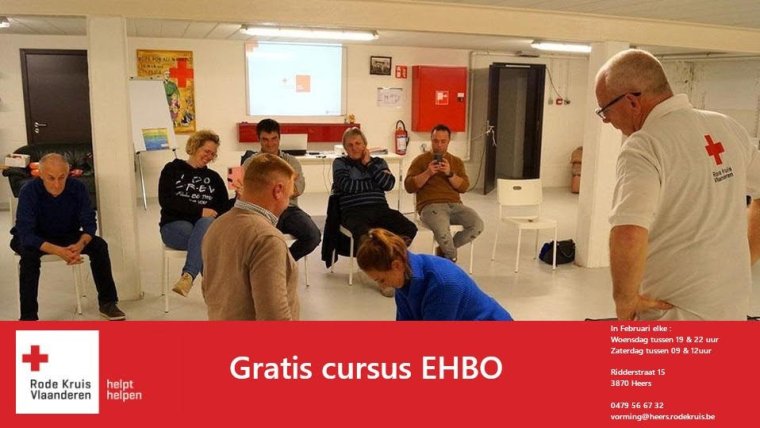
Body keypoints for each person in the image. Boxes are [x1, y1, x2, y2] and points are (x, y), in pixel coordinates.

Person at [596, 48, 760, 321]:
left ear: (632, 102)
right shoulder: (726, 127)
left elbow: (629, 232)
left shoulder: (644, 145)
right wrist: (747, 256)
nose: (607, 121)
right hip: (733, 306)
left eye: (605, 111)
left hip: (675, 313)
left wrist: (625, 302)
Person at [10, 154, 126, 321]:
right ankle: (28, 316)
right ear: (41, 175)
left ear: (68, 174)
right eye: (51, 178)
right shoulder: (29, 191)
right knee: (29, 257)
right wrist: (59, 251)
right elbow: (26, 233)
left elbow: (89, 223)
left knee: (99, 245)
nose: (57, 184)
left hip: (66, 233)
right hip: (34, 237)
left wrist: (80, 244)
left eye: (62, 177)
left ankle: (108, 303)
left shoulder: (77, 188)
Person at [201, 153, 299, 320]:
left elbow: (208, 290)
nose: (287, 203)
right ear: (278, 191)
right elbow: (274, 317)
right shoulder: (267, 239)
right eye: (288, 196)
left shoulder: (216, 226)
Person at [332, 127, 418, 296]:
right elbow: (346, 186)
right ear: (345, 148)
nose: (354, 148)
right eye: (350, 145)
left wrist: (369, 165)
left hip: (380, 208)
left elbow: (388, 184)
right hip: (353, 211)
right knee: (365, 236)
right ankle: (380, 276)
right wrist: (374, 182)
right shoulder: (340, 163)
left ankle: (390, 262)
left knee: (409, 228)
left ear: (365, 145)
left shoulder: (378, 162)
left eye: (358, 143)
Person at [357, 228, 512, 320]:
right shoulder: (404, 277)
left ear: (396, 265)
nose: (382, 285)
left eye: (382, 280)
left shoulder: (443, 284)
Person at [158, 129, 233, 297]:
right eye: (206, 151)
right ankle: (217, 291)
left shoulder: (214, 178)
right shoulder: (172, 169)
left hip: (203, 228)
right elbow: (167, 201)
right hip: (174, 227)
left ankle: (188, 276)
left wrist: (240, 197)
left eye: (212, 154)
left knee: (206, 225)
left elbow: (222, 208)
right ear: (195, 146)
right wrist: (199, 211)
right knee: (206, 240)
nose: (209, 156)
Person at [239, 119, 321, 261]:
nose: (270, 144)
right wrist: (284, 185)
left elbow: (298, 189)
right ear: (259, 139)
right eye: (265, 139)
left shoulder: (292, 161)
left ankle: (282, 262)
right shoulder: (249, 163)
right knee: (252, 240)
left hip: (289, 209)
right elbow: (242, 192)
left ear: (279, 138)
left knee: (313, 236)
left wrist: (265, 188)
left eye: (274, 139)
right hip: (260, 211)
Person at [404, 124, 483, 262]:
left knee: (477, 225)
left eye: (443, 141)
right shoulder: (420, 161)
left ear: (448, 142)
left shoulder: (456, 162)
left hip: (455, 205)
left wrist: (450, 173)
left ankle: (443, 252)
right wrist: (428, 173)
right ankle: (450, 259)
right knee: (443, 231)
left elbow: (464, 187)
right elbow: (409, 186)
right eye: (436, 141)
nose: (439, 145)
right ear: (431, 140)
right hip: (430, 205)